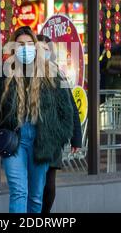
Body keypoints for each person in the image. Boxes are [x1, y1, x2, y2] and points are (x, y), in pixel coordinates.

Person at [0, 26, 75, 213]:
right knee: (18, 191)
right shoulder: (3, 74)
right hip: (14, 140)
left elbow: (66, 110)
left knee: (36, 196)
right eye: (21, 44)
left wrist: (57, 139)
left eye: (30, 44)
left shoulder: (51, 73)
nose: (26, 48)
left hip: (41, 140)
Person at [36, 34, 82, 214]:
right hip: (31, 138)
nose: (43, 54)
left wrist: (76, 138)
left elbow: (71, 108)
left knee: (49, 185)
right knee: (34, 185)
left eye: (46, 50)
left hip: (52, 139)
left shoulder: (59, 76)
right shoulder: (22, 74)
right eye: (39, 50)